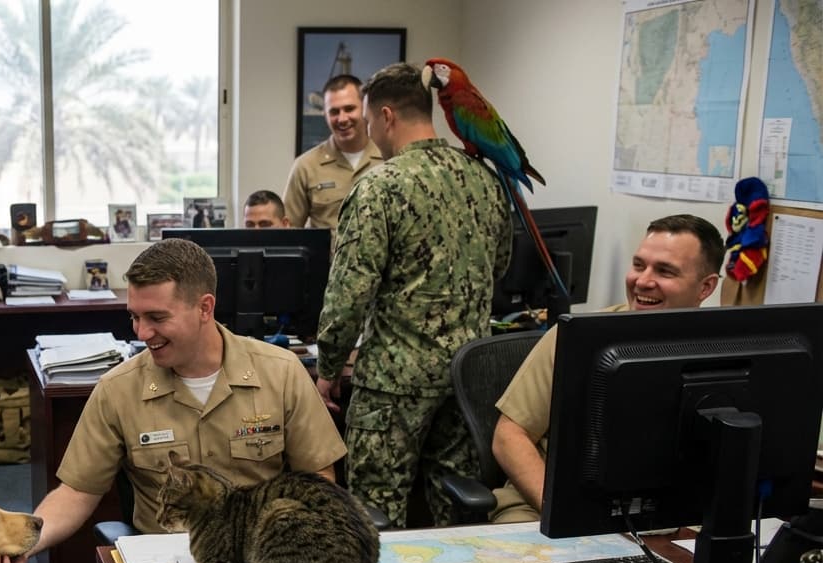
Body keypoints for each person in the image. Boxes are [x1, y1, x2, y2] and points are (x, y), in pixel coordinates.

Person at [0, 238, 347, 563]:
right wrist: (21, 545)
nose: (141, 333)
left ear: (204, 308)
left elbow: (318, 480)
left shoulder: (280, 372)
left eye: (156, 317)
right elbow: (76, 492)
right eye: (134, 317)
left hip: (264, 561)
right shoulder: (118, 390)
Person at [314, 62, 512, 529]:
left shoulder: (378, 187)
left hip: (392, 385)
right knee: (456, 512)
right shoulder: (485, 179)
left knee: (375, 517)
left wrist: (328, 370)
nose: (369, 132)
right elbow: (499, 265)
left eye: (368, 121)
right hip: (464, 378)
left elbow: (348, 294)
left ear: (386, 116)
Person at [489, 215, 724, 523]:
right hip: (546, 506)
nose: (643, 281)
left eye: (664, 271)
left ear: (705, 287)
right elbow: (509, 436)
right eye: (639, 265)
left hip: (666, 516)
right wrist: (561, 511)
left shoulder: (724, 349)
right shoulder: (578, 337)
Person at [283, 75, 383, 229]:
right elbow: (288, 232)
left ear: (365, 108)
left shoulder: (388, 159)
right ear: (325, 114)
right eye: (334, 112)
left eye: (349, 109)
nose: (342, 119)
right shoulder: (306, 167)